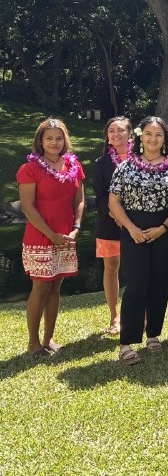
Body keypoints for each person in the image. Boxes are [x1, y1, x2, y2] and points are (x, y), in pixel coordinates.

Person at [109, 116, 168, 365]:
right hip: (133, 232)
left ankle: (153, 334)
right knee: (136, 286)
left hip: (164, 231)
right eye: (148, 134)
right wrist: (131, 228)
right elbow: (114, 202)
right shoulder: (126, 166)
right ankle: (126, 343)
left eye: (158, 134)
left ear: (165, 138)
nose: (153, 139)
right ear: (141, 137)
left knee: (160, 284)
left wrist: (163, 228)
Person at [17, 118, 85, 357]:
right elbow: (27, 207)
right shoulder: (29, 169)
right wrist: (50, 234)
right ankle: (33, 343)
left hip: (65, 235)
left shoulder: (74, 166)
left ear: (65, 140)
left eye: (58, 138)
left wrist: (76, 227)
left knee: (56, 286)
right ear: (40, 141)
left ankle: (48, 338)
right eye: (49, 138)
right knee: (41, 286)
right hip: (40, 236)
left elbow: (79, 200)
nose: (54, 143)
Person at [93, 116, 132, 335]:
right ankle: (114, 316)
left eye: (120, 130)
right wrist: (116, 214)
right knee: (111, 268)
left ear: (129, 133)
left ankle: (141, 313)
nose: (116, 135)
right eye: (111, 131)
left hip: (138, 223)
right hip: (109, 223)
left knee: (138, 268)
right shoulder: (102, 164)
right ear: (107, 137)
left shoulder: (142, 158)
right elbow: (100, 196)